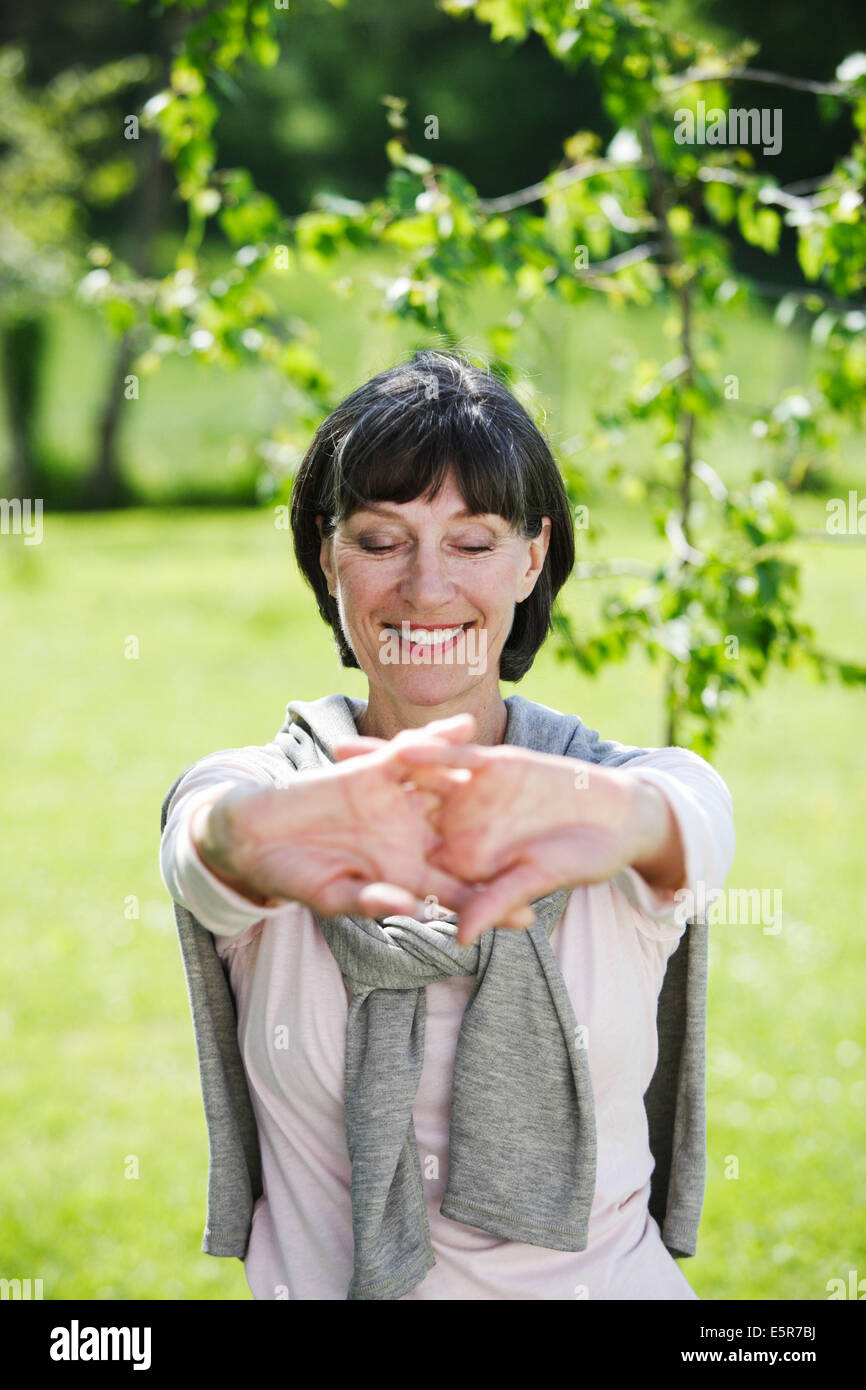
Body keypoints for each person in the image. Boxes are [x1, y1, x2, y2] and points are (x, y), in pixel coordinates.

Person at [159, 348, 735, 1300]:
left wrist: (612, 819)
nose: (427, 590)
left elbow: (692, 826)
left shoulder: (628, 790)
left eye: (471, 544)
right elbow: (204, 847)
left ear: (534, 557)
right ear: (324, 553)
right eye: (382, 541)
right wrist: (267, 842)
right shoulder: (266, 784)